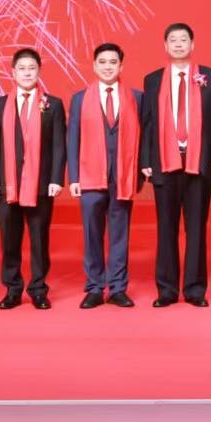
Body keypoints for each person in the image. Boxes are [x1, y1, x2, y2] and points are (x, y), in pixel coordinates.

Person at [140, 22, 211, 308]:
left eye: (183, 39)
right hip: (164, 162)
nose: (178, 44)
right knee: (166, 228)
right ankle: (166, 290)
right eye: (173, 40)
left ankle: (195, 289)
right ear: (165, 46)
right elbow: (147, 122)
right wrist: (146, 159)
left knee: (196, 228)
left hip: (199, 162)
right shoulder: (153, 80)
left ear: (192, 44)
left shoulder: (210, 77)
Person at [0, 48, 67, 310]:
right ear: (13, 72)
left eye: (32, 68)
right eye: (22, 68)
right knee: (10, 239)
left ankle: (38, 289)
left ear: (39, 71)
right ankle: (12, 289)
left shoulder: (53, 105)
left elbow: (59, 145)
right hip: (7, 183)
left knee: (39, 238)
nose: (27, 73)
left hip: (41, 183)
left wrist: (56, 178)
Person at [69, 43, 143, 309]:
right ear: (94, 65)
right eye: (102, 62)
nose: (108, 67)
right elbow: (73, 138)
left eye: (113, 62)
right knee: (92, 234)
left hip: (122, 176)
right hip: (90, 175)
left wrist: (138, 173)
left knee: (120, 234)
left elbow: (144, 138)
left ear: (121, 66)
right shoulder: (80, 99)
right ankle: (94, 287)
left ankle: (118, 288)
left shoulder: (136, 98)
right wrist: (74, 177)